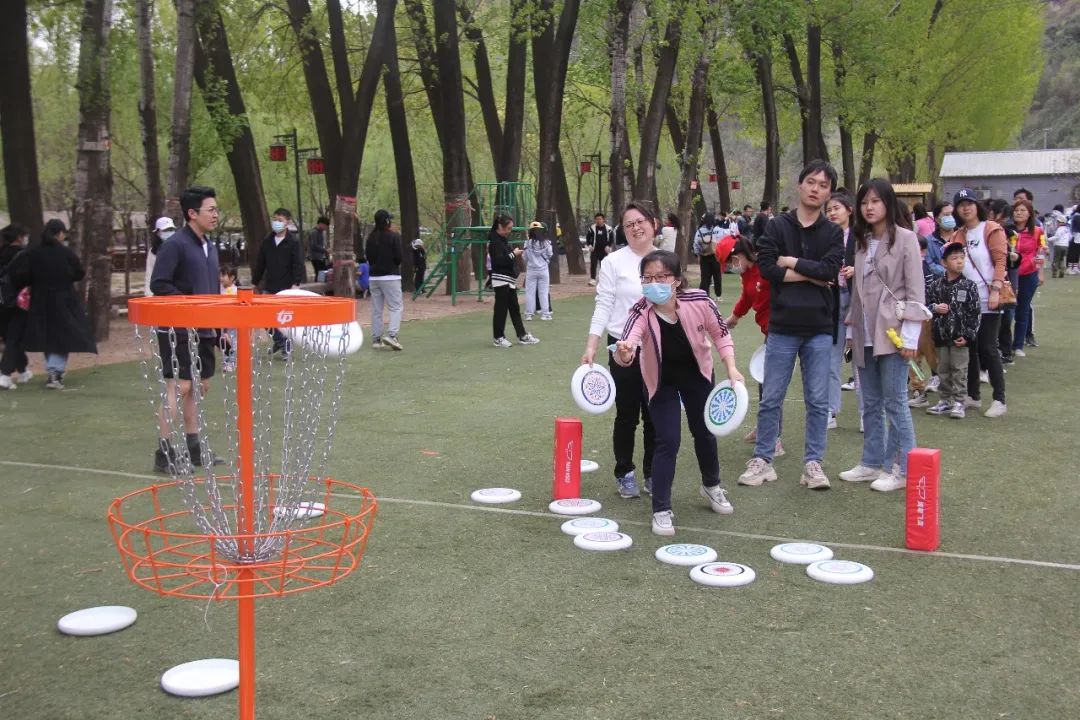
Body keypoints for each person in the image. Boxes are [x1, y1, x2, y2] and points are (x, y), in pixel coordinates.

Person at [614, 250, 743, 536]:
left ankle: (711, 485)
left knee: (705, 432)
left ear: (676, 280)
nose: (653, 283)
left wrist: (732, 369)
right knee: (667, 440)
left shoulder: (699, 300)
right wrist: (625, 353)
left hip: (697, 375)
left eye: (661, 277)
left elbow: (721, 334)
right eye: (647, 278)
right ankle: (661, 509)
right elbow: (628, 344)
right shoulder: (640, 310)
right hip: (661, 382)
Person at [737, 160, 844, 491]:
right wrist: (811, 275)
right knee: (771, 397)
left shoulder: (832, 232)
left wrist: (792, 262)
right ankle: (763, 459)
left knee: (817, 400)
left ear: (829, 193)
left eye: (823, 185)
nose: (815, 189)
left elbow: (829, 270)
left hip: (819, 327)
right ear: (800, 185)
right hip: (782, 325)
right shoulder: (777, 226)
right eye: (811, 182)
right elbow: (769, 268)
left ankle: (813, 464)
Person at [837, 179, 926, 493]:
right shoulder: (861, 242)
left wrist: (910, 338)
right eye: (864, 202)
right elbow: (858, 293)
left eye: (875, 201)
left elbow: (915, 291)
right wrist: (851, 331)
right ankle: (872, 462)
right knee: (871, 403)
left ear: (888, 203)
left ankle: (901, 468)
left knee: (895, 402)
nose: (869, 207)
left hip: (893, 332)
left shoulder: (906, 239)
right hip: (864, 331)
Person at [582, 201, 660, 499]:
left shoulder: (665, 259)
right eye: (629, 224)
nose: (636, 228)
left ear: (653, 223)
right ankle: (625, 473)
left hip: (659, 348)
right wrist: (591, 345)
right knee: (627, 414)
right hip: (623, 348)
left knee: (655, 415)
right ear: (623, 231)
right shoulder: (613, 262)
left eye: (640, 221)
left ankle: (653, 473)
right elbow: (603, 305)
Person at [150, 185, 223, 471]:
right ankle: (164, 454)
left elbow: (212, 290)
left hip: (204, 329)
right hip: (177, 329)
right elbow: (159, 284)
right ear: (192, 213)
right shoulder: (175, 245)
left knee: (196, 387)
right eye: (211, 210)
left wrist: (218, 330)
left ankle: (194, 450)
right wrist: (189, 306)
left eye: (216, 209)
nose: (215, 215)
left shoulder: (209, 246)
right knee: (180, 386)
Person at [3, 219, 97, 390]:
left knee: (48, 335)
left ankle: (52, 368)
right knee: (62, 335)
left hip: (40, 300)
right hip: (63, 299)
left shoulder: (33, 252)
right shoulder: (65, 253)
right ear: (60, 233)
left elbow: (20, 274)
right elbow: (79, 273)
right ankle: (55, 371)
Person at [951, 188, 1008, 418]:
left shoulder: (991, 229)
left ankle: (999, 399)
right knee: (970, 348)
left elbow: (1000, 260)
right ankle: (973, 395)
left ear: (977, 206)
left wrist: (996, 289)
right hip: (966, 301)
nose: (966, 208)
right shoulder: (958, 235)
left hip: (989, 297)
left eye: (969, 203)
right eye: (961, 204)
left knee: (988, 348)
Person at [725, 237, 784, 456]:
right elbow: (747, 297)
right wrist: (734, 317)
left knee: (771, 385)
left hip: (781, 330)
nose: (731, 267)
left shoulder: (766, 267)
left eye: (732, 261)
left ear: (740, 255)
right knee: (765, 382)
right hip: (770, 332)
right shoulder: (747, 273)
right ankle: (765, 428)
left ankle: (774, 438)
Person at [924, 243, 981, 419]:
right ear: (944, 262)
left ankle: (959, 401)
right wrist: (935, 308)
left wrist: (968, 335)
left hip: (960, 338)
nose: (959, 261)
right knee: (943, 370)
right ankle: (945, 400)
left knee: (959, 370)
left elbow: (975, 313)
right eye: (954, 258)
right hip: (941, 336)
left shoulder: (969, 286)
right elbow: (925, 306)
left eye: (962, 258)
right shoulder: (936, 285)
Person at [251, 207, 305, 358]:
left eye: (280, 220)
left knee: (283, 319)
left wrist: (296, 283)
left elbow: (298, 263)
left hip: (287, 287)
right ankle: (279, 341)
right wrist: (255, 282)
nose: (276, 222)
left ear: (287, 222)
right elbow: (260, 263)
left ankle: (285, 346)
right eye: (274, 219)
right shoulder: (267, 241)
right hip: (270, 286)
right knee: (263, 316)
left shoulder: (293, 242)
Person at [826, 192, 856, 427]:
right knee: (831, 359)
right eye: (829, 210)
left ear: (849, 210)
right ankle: (830, 411)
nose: (832, 213)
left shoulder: (861, 237)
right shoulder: (825, 238)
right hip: (833, 300)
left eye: (837, 208)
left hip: (858, 301)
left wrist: (857, 269)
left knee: (861, 362)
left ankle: (866, 415)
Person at [488, 214, 539, 348]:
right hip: (501, 280)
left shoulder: (502, 240)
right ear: (500, 226)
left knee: (514, 309)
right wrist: (513, 254)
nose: (509, 231)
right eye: (508, 228)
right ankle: (498, 337)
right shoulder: (494, 242)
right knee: (501, 310)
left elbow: (506, 257)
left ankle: (522, 335)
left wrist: (515, 253)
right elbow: (499, 261)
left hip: (509, 280)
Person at [1009, 198, 1044, 359]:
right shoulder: (1007, 230)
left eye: (1023, 210)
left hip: (1029, 275)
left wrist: (1040, 272)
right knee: (1007, 311)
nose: (1019, 213)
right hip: (1010, 274)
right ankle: (1003, 344)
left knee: (1022, 310)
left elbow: (1041, 252)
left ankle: (1018, 345)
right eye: (1016, 210)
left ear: (1029, 213)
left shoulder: (1038, 231)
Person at [986, 199, 1020, 363]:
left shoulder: (1010, 232)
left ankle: (1005, 351)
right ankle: (993, 351)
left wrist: (1014, 256)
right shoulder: (983, 229)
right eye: (1002, 216)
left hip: (1004, 278)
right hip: (986, 278)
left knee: (1005, 316)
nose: (1004, 220)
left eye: (1006, 217)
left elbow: (1014, 261)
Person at [366, 209, 405, 351]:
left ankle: (376, 339)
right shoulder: (394, 236)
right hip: (390, 277)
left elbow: (369, 258)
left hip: (374, 277)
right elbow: (399, 257)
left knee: (377, 309)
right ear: (387, 221)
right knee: (395, 307)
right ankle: (392, 335)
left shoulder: (370, 238)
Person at [0, 224, 32, 389]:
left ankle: (23, 370)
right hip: (18, 302)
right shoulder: (22, 255)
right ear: (19, 237)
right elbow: (24, 278)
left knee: (11, 337)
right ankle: (4, 374)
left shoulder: (2, 253)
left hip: (2, 301)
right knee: (14, 338)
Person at [523, 221, 553, 321]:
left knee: (530, 292)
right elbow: (550, 254)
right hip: (543, 270)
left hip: (531, 270)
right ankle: (546, 314)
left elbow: (524, 257)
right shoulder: (547, 243)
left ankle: (529, 314)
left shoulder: (527, 243)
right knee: (544, 292)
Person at [693, 213, 725, 299]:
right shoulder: (717, 229)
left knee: (705, 277)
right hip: (716, 256)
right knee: (717, 276)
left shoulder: (699, 231)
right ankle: (718, 295)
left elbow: (696, 244)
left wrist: (697, 255)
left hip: (704, 257)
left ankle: (704, 295)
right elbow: (724, 237)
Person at [146, 217, 176, 295]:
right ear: (157, 232)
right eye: (165, 230)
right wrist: (149, 295)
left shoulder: (180, 248)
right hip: (160, 292)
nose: (169, 232)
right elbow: (150, 273)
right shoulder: (153, 252)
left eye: (171, 230)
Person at [219, 264, 238, 372]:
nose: (221, 278)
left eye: (223, 275)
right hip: (222, 322)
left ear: (232, 277)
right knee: (224, 342)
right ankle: (226, 361)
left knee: (233, 343)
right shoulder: (219, 289)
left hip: (233, 323)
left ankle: (232, 362)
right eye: (220, 275)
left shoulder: (235, 291)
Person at [585, 213, 614, 285]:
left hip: (604, 251)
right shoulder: (592, 228)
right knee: (593, 264)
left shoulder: (609, 229)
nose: (598, 221)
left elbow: (611, 239)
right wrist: (589, 245)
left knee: (604, 265)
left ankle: (604, 280)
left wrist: (608, 246)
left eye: (600, 219)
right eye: (597, 219)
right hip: (594, 250)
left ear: (603, 219)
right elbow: (588, 238)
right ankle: (593, 279)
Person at [1049, 208, 1070, 278]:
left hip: (1058, 245)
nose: (1058, 223)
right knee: (1062, 259)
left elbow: (1056, 237)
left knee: (1056, 260)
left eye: (1059, 222)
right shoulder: (1067, 229)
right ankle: (1062, 270)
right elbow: (1069, 237)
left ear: (1062, 223)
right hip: (1066, 246)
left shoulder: (1059, 229)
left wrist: (1048, 239)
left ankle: (1054, 273)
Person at [1067, 207, 1080, 275]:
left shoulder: (1075, 215)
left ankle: (1075, 267)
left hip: (1077, 236)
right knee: (1073, 252)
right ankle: (1069, 268)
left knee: (1077, 252)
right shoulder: (1077, 216)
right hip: (1075, 236)